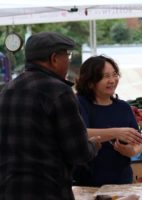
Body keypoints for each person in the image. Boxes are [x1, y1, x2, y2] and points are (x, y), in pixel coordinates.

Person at [0, 32, 102, 200]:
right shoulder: (59, 92)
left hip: (9, 190)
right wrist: (93, 145)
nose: (69, 61)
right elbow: (78, 152)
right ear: (54, 58)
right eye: (67, 55)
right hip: (47, 190)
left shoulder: (7, 90)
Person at [74, 55, 142, 186]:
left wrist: (131, 151)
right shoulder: (79, 103)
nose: (112, 80)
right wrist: (116, 132)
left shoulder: (124, 107)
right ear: (90, 82)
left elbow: (138, 141)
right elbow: (78, 133)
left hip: (122, 181)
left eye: (115, 74)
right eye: (106, 76)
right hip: (87, 183)